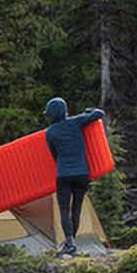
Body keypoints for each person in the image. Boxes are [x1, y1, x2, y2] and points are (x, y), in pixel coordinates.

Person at [43, 97, 106, 255]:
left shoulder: (49, 132)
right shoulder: (76, 121)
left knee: (64, 210)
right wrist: (88, 112)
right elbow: (100, 113)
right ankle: (71, 244)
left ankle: (69, 243)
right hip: (82, 174)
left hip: (63, 175)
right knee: (76, 209)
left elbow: (54, 155)